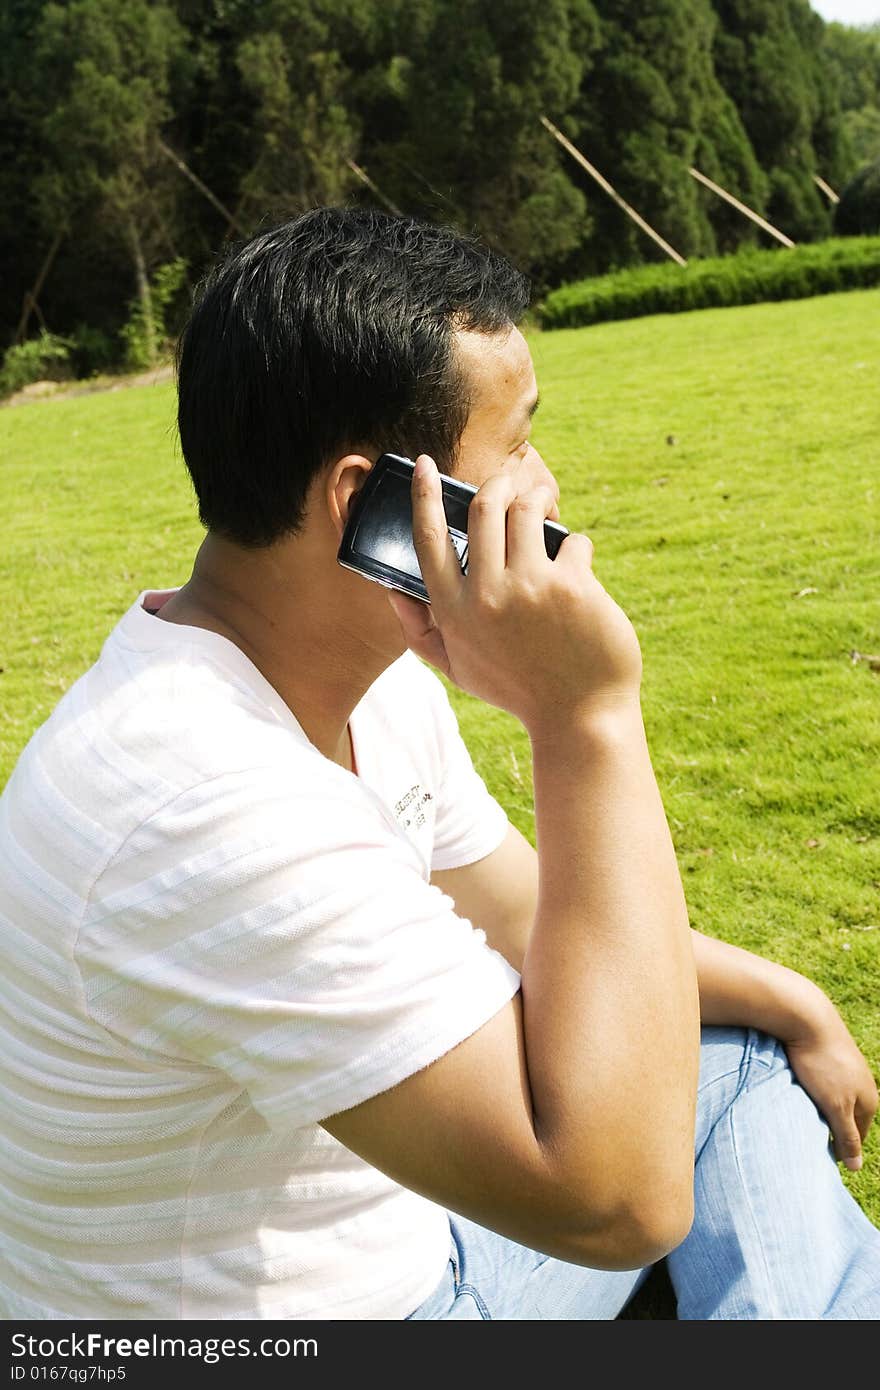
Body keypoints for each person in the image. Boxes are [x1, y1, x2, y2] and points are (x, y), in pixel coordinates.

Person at [0, 207, 877, 1323]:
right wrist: (586, 716)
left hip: (397, 1235)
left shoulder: (354, 679)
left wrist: (792, 997)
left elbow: (522, 923)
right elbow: (615, 1197)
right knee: (696, 1122)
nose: (546, 485)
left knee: (741, 1052)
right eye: (513, 446)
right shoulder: (199, 800)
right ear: (365, 501)